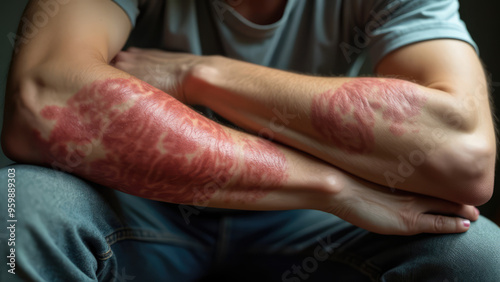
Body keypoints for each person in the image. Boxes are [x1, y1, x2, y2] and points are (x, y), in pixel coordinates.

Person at [1, 0, 499, 281]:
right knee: (13, 208)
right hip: (134, 206)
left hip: (311, 230)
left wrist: (201, 73)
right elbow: (43, 98)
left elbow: (464, 153)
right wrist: (331, 186)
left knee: (480, 257)